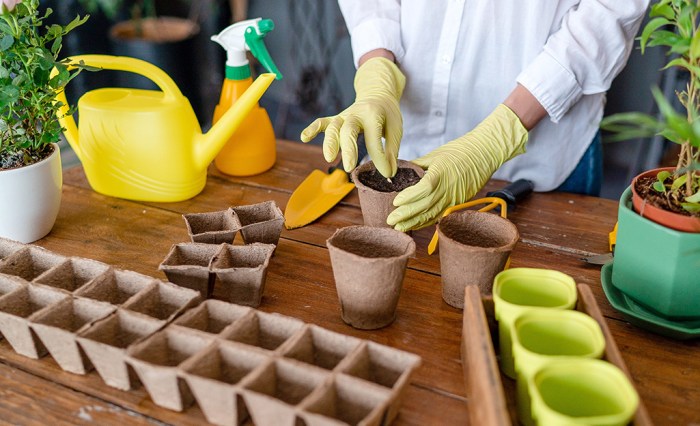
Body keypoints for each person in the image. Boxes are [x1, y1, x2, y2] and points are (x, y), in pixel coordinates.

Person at [300, 1, 650, 231]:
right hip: (408, 137)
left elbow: (609, 11)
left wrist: (499, 135)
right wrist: (378, 67)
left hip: (540, 162)